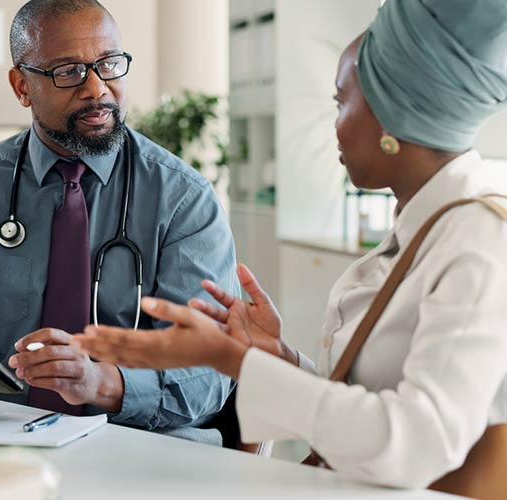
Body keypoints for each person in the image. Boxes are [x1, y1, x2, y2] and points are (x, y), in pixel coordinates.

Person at [71, 0, 507, 489]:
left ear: (391, 114)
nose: (335, 124)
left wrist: (233, 361)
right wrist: (275, 357)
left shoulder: (481, 237)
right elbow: (362, 408)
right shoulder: (426, 226)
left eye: (341, 102)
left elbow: (414, 446)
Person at [0, 0, 238, 443]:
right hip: (8, 439)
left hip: (147, 444)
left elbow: (212, 373)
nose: (96, 88)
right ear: (21, 86)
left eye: (109, 64)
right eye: (68, 71)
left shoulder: (183, 197)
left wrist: (103, 383)